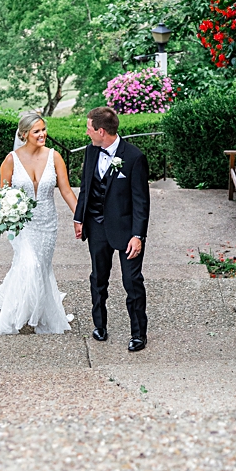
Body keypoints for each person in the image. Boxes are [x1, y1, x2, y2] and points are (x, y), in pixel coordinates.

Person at [0, 112, 78, 336]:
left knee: (41, 267)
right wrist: (6, 215)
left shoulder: (55, 157)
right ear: (25, 134)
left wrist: (79, 217)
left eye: (44, 129)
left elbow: (66, 190)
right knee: (29, 264)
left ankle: (40, 312)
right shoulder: (11, 160)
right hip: (22, 225)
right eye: (36, 131)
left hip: (48, 224)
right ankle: (14, 318)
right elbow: (3, 195)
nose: (42, 134)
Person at [73, 107, 151, 353]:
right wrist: (79, 218)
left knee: (132, 282)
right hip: (96, 226)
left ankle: (138, 334)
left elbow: (141, 202)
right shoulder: (90, 151)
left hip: (127, 231)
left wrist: (138, 236)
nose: (87, 133)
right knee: (98, 278)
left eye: (89, 128)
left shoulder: (134, 157)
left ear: (101, 131)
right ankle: (100, 325)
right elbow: (86, 187)